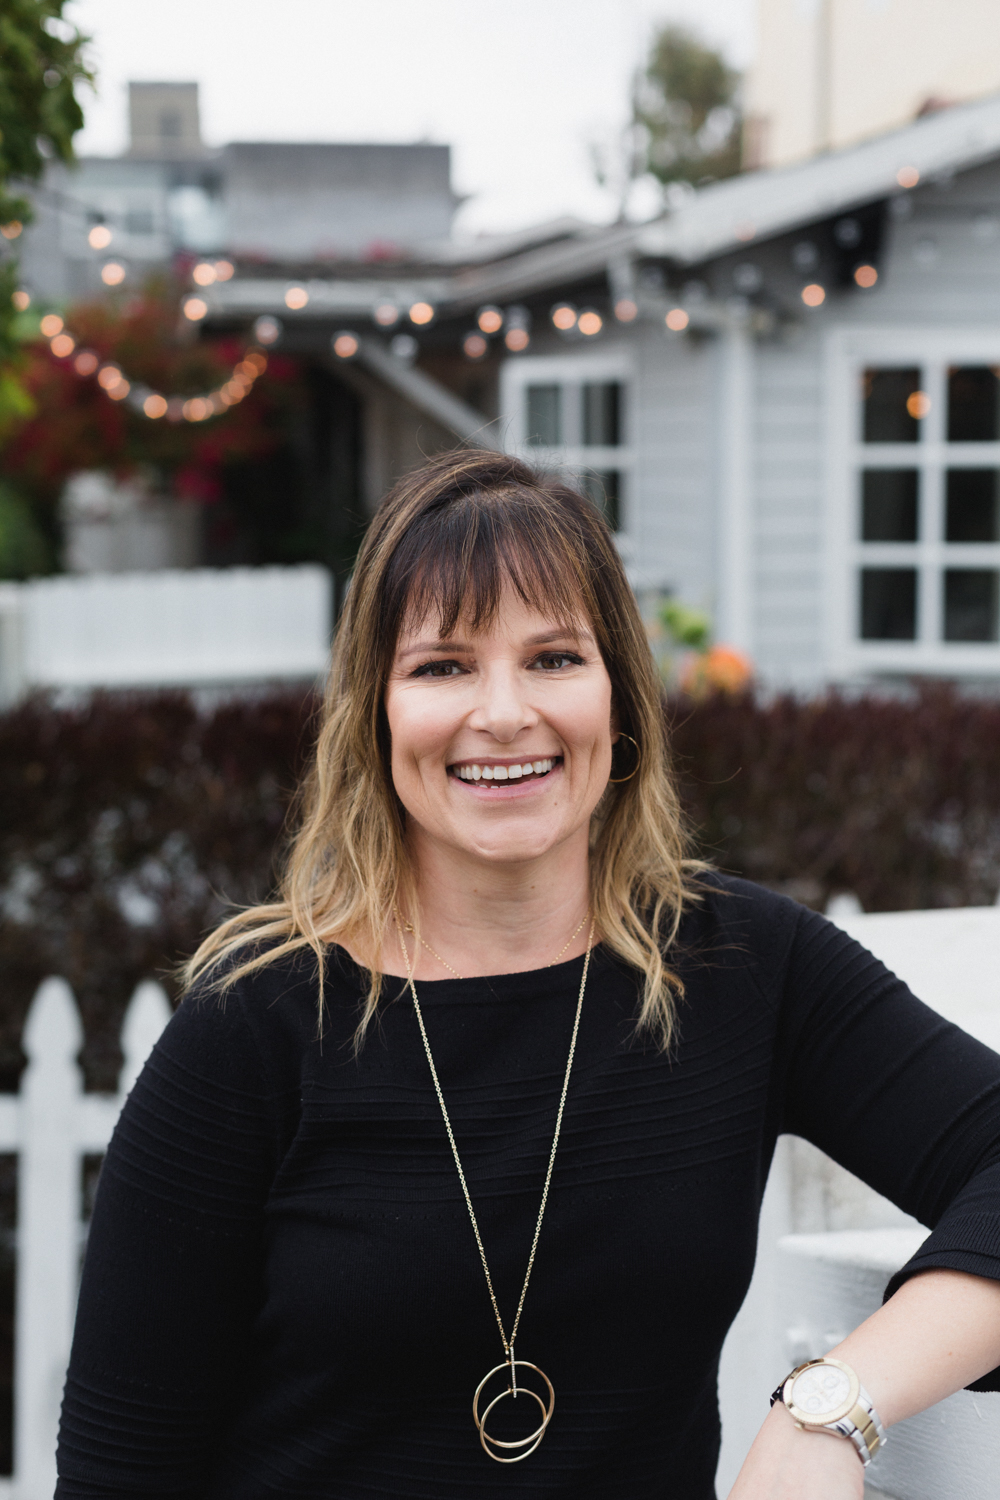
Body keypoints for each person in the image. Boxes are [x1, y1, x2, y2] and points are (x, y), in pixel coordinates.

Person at [56, 450, 1000, 1499]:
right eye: (442, 666)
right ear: (373, 710)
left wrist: (829, 1410)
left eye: (553, 657)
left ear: (618, 693)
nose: (503, 713)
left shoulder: (742, 969)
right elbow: (118, 1473)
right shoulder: (256, 1029)